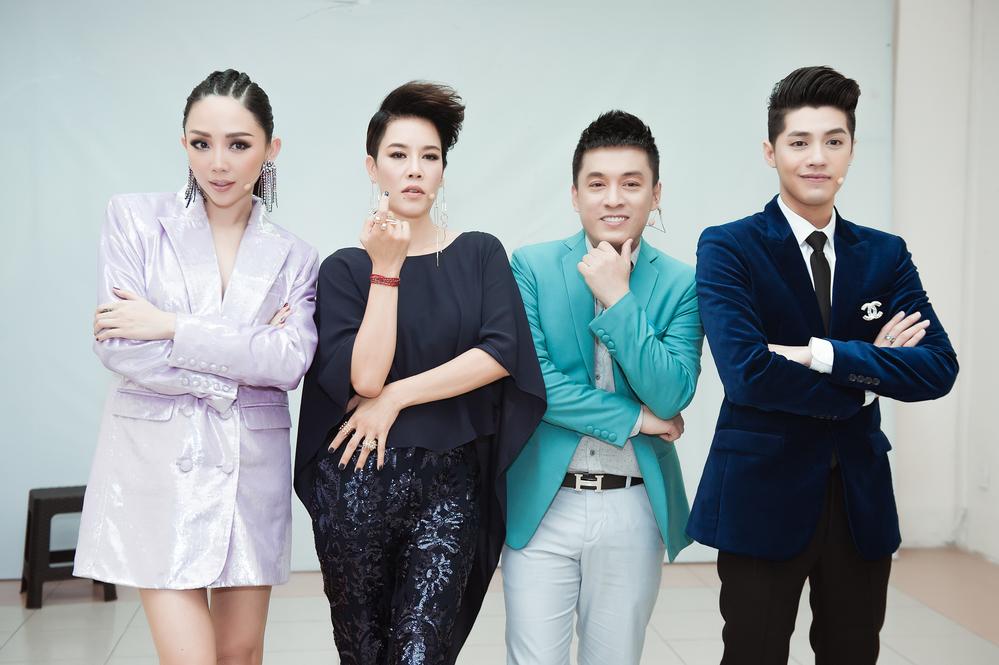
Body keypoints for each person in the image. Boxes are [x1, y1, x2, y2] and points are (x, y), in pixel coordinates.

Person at [686, 65, 959, 665]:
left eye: (833, 141)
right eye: (799, 142)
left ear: (851, 151)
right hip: (762, 496)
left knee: (853, 653)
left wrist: (823, 355)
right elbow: (747, 373)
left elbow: (938, 368)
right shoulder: (729, 246)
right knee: (753, 654)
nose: (817, 158)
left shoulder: (884, 254)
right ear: (771, 152)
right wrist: (870, 377)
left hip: (859, 500)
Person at [295, 80, 546, 665]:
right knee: (365, 654)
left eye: (429, 156)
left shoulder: (480, 253)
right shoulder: (344, 269)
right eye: (398, 154)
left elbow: (500, 352)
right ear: (373, 167)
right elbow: (364, 378)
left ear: (442, 172)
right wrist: (386, 270)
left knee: (421, 654)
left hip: (448, 485)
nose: (414, 169)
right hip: (356, 484)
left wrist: (396, 399)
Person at [74, 69, 319, 665]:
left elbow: (289, 361)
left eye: (239, 144)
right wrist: (244, 354)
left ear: (271, 148)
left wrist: (171, 325)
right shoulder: (134, 221)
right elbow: (119, 345)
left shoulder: (295, 256)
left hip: (249, 471)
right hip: (157, 469)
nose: (218, 163)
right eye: (201, 143)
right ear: (183, 142)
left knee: (241, 656)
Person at [502, 110, 703, 665]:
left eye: (631, 184)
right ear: (575, 195)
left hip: (633, 504)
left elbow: (671, 394)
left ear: (655, 194)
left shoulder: (682, 282)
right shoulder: (532, 266)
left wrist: (618, 298)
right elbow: (537, 385)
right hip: (545, 500)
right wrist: (637, 420)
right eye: (597, 184)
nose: (614, 199)